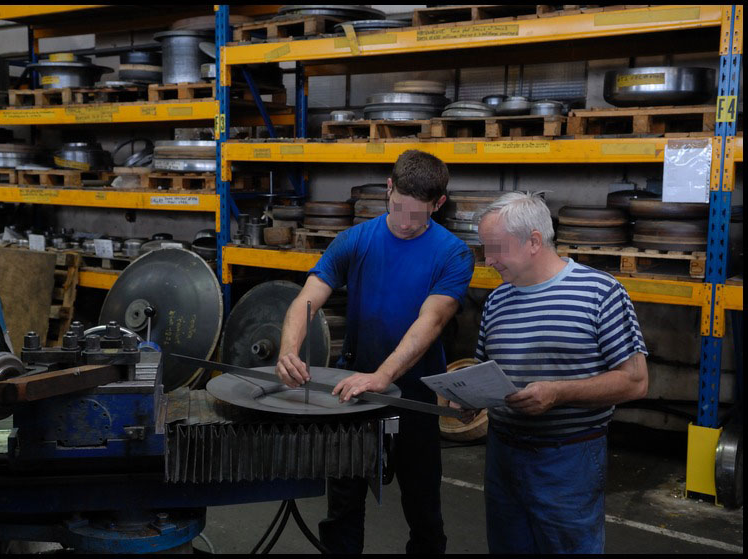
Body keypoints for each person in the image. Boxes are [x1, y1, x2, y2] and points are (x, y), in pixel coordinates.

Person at [275, 150, 474, 554]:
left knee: (423, 510)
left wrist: (383, 376)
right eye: (398, 207)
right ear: (389, 188)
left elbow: (430, 322)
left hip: (416, 398)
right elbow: (307, 299)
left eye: (417, 215)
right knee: (344, 508)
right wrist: (288, 349)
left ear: (438, 204)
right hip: (352, 394)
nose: (404, 222)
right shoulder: (354, 241)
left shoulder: (453, 253)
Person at [470, 191, 649, 554]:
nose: (488, 260)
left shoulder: (600, 292)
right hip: (503, 454)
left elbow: (635, 381)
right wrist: (468, 398)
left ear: (534, 241)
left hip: (568, 459)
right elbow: (481, 369)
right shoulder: (497, 300)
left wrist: (559, 393)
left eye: (496, 248)